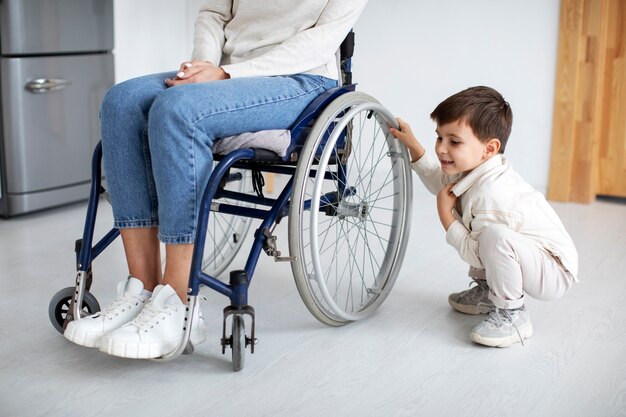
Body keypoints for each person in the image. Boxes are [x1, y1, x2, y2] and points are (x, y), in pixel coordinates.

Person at [64, 0, 368, 359]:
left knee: (179, 110)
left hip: (300, 78)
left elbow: (320, 42)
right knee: (122, 101)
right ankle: (142, 289)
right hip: (228, 72)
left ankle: (179, 301)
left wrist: (227, 76)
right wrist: (206, 67)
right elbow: (213, 14)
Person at [390, 86, 578, 347]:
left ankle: (513, 314)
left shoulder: (491, 196)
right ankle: (489, 293)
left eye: (454, 141)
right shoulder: (474, 167)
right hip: (531, 255)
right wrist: (413, 145)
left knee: (492, 236)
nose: (442, 149)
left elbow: (476, 253)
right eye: (439, 137)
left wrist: (446, 215)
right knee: (486, 233)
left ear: (489, 148)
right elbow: (440, 180)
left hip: (553, 271)